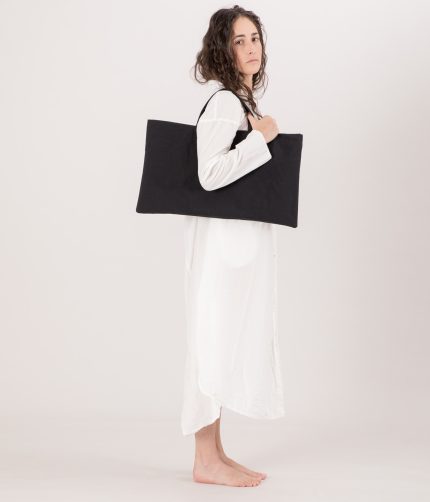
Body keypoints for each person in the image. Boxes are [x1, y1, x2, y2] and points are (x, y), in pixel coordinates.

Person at [181, 6, 284, 487]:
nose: (250, 48)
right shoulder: (224, 102)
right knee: (211, 341)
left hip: (235, 250)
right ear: (223, 51)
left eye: (254, 38)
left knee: (223, 342)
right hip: (220, 250)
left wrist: (257, 133)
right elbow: (209, 174)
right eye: (239, 41)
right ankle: (205, 460)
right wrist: (259, 140)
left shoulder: (242, 101)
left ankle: (216, 454)